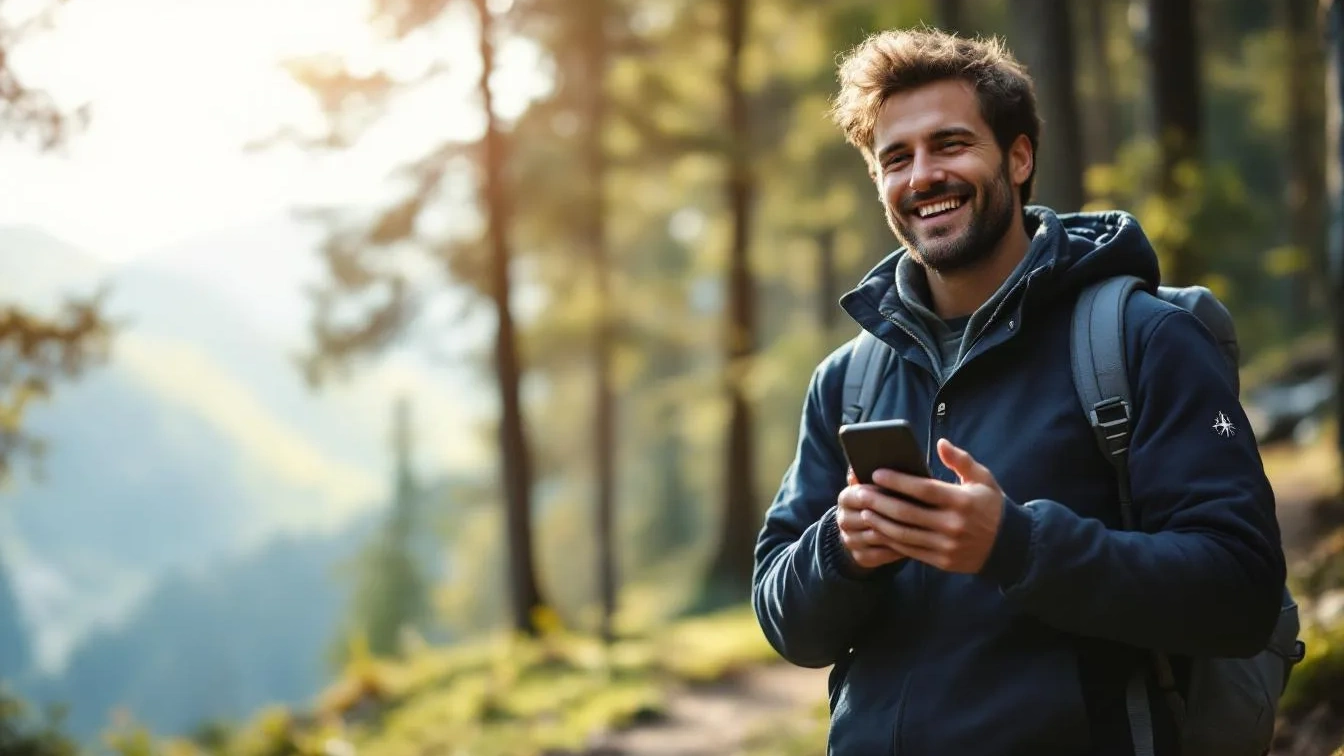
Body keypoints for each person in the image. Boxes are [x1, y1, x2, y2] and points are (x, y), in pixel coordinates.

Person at [750, 27, 1287, 756]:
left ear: (1019, 155)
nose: (922, 176)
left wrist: (1018, 546)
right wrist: (843, 549)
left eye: (950, 144)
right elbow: (787, 623)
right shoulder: (848, 379)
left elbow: (1239, 592)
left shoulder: (1144, 339)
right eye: (896, 158)